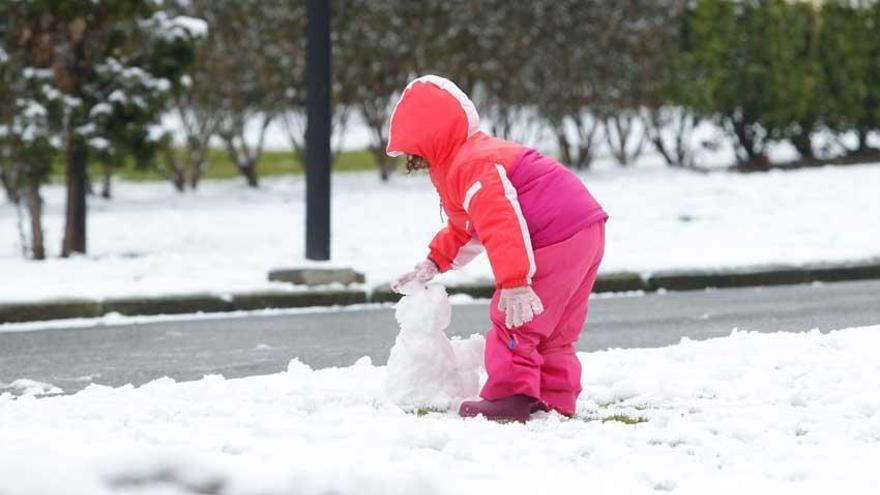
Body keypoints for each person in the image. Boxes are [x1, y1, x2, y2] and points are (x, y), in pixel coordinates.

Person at [389, 75, 607, 421]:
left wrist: (515, 281)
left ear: (429, 138)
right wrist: (435, 261)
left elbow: (499, 221)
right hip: (585, 228)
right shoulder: (471, 156)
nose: (414, 162)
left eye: (415, 152)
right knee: (556, 326)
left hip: (553, 233)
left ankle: (511, 395)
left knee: (516, 317)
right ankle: (555, 398)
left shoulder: (469, 164)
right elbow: (467, 226)